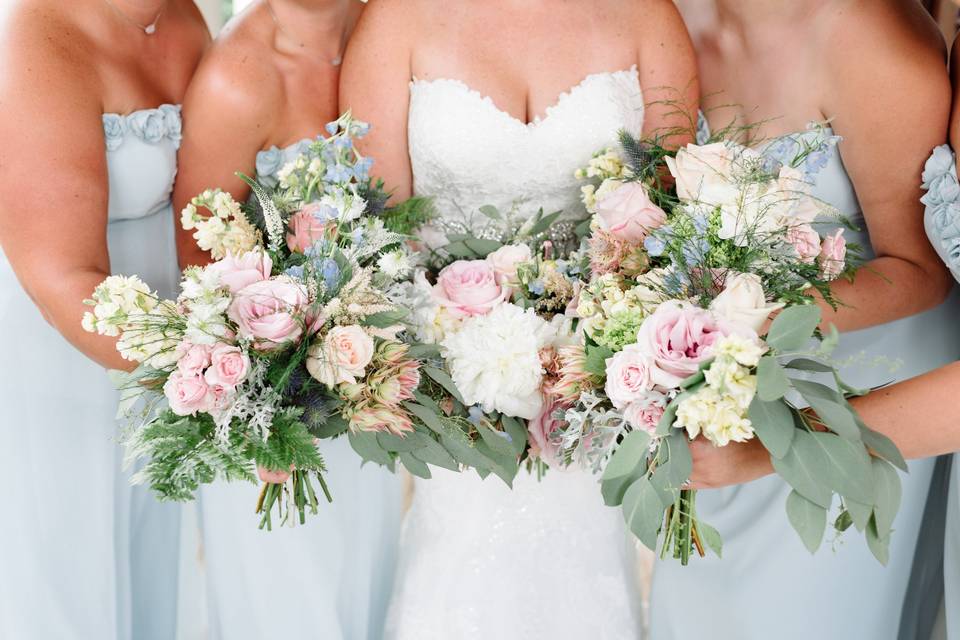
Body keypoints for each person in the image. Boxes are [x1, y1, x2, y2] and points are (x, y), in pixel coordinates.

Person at [340, 1, 698, 638]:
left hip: (594, 386)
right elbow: (378, 237)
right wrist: (452, 350)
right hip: (454, 398)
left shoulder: (648, 16)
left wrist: (594, 352)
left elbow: (670, 228)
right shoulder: (394, 20)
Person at [658, 1, 960, 639]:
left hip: (858, 387)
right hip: (711, 395)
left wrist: (749, 322)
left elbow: (923, 269)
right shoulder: (666, 18)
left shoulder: (872, 39)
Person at [173, 2, 401, 638]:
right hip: (275, 410)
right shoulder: (238, 80)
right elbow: (199, 262)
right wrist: (262, 413)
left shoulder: (383, 29)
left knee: (366, 591)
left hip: (366, 384)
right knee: (288, 605)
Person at [0, 1, 208, 638]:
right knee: (70, 565)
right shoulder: (35, 36)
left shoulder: (183, 18)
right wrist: (222, 369)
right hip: (66, 345)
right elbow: (59, 278)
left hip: (172, 354)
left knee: (151, 562)